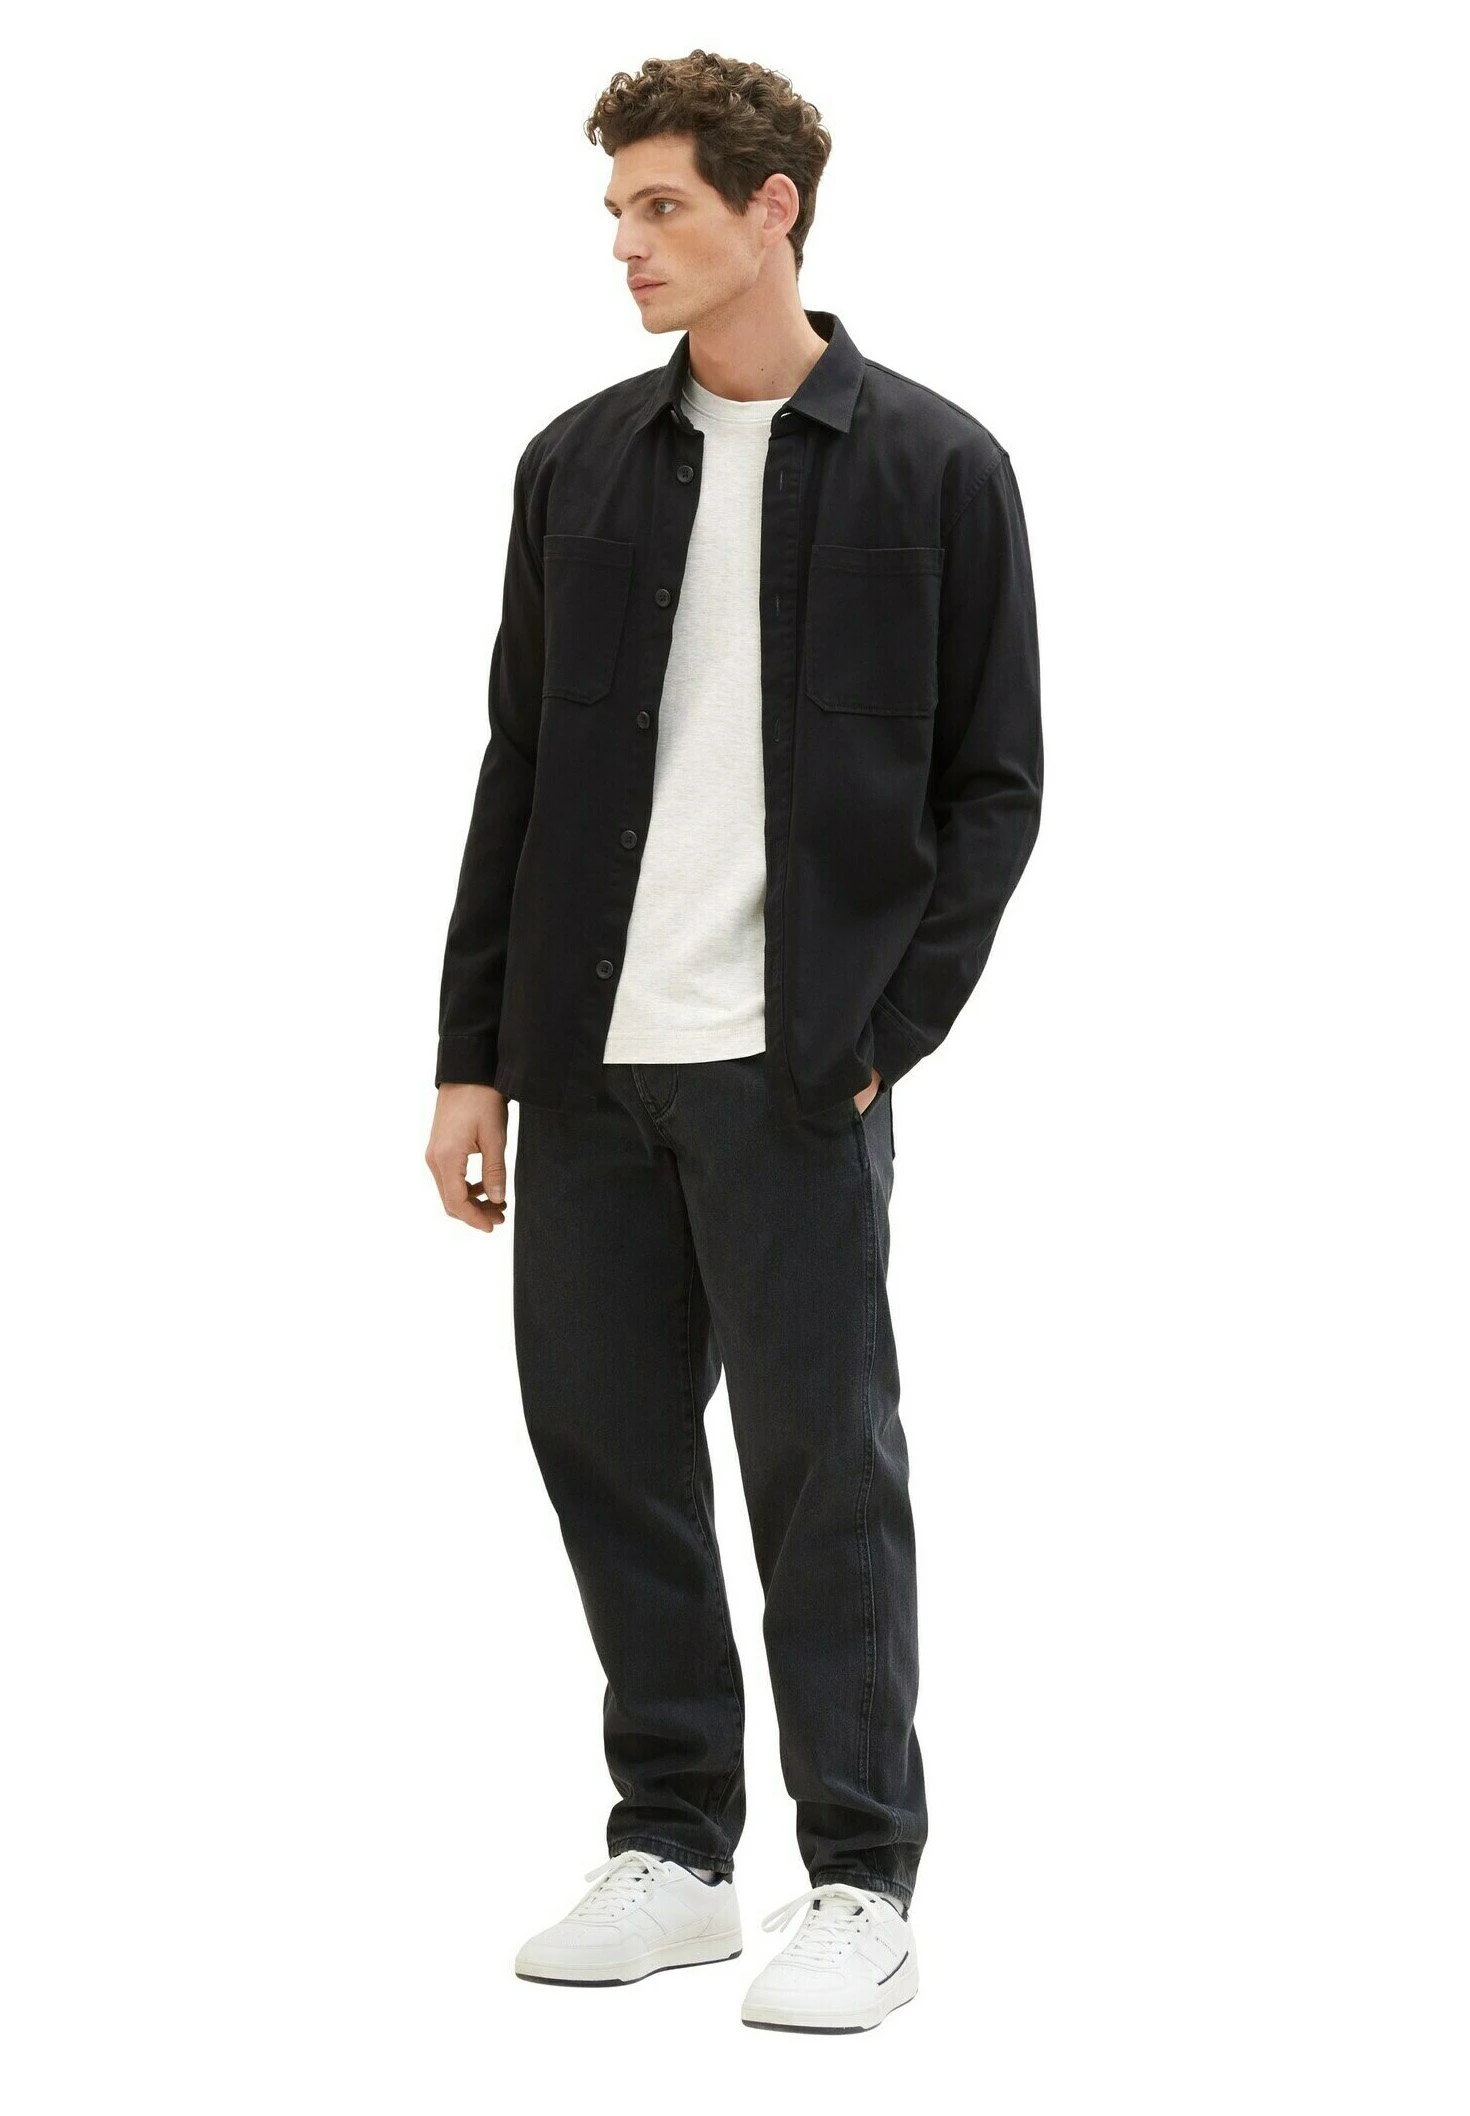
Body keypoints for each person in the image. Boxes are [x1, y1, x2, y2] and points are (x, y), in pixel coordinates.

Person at [425, 48, 1043, 2034]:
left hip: (791, 1070)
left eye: (662, 206)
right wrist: (469, 1056)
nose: (626, 244)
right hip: (585, 1061)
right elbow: (518, 772)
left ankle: (859, 1877)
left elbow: (993, 785)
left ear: (773, 210)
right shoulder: (577, 467)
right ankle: (678, 1851)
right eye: (616, 211)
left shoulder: (935, 466)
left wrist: (884, 1033)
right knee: (607, 1454)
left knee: (819, 1472)